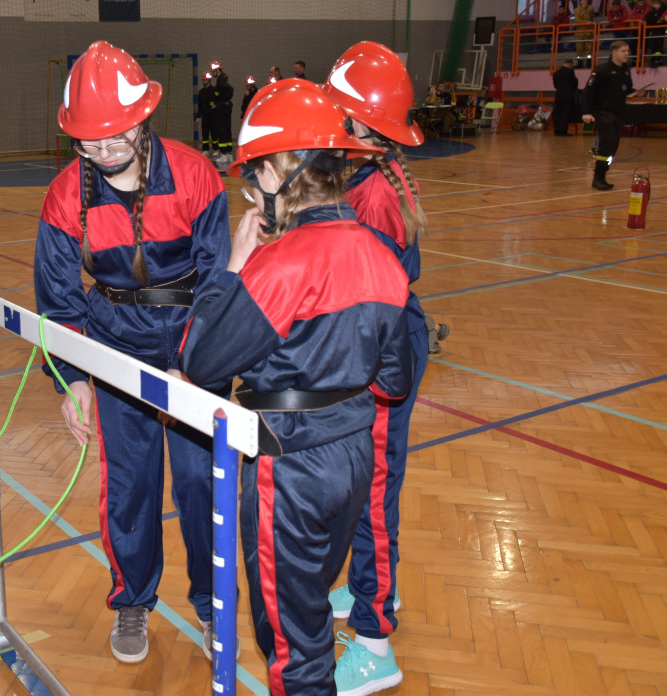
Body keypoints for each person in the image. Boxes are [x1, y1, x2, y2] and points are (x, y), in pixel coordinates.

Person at [180, 77, 412, 696]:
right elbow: (394, 380)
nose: (251, 190)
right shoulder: (382, 256)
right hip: (354, 458)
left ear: (283, 169)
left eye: (253, 175)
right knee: (309, 601)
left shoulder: (280, 265)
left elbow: (200, 360)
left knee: (291, 642)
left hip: (288, 467)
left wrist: (233, 267)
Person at [33, 40, 232, 664]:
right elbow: (58, 298)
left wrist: (194, 363)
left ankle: (212, 607)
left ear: (145, 116)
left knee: (202, 484)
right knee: (129, 486)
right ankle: (132, 601)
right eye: (91, 140)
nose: (105, 149)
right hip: (114, 347)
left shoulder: (196, 174)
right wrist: (74, 379)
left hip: (191, 344)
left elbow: (220, 282)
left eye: (118, 134)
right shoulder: (67, 196)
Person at [321, 41, 433, 696]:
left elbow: (375, 300)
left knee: (374, 494)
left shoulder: (375, 196)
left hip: (383, 347)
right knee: (362, 487)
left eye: (338, 114)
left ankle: (374, 636)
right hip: (369, 337)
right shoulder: (363, 175)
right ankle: (365, 587)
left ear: (363, 127)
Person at [582, 40, 639, 190]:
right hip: (603, 113)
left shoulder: (625, 70)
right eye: (623, 51)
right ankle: (598, 177)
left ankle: (603, 175)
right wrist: (587, 112)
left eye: (628, 51)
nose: (627, 54)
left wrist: (634, 92)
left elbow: (625, 88)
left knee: (613, 147)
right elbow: (589, 91)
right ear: (614, 52)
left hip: (618, 113)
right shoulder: (602, 70)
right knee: (607, 145)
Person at [552, 58, 579, 135]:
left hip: (558, 96)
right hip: (568, 96)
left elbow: (555, 85)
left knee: (558, 113)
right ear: (570, 64)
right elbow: (575, 84)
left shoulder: (556, 73)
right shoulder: (570, 72)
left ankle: (556, 129)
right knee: (565, 113)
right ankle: (563, 130)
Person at [573, 0, 596, 67]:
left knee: (589, 49)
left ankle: (588, 63)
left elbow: (590, 17)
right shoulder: (577, 9)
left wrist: (584, 10)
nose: (584, 2)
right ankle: (580, 63)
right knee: (579, 48)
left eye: (585, 0)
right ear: (580, 2)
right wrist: (585, 22)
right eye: (582, 1)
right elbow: (577, 20)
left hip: (589, 31)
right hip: (579, 32)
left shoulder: (591, 8)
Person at [644, 0, 666, 65]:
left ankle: (659, 59)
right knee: (654, 45)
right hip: (653, 30)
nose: (657, 5)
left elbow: (660, 16)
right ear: (653, 5)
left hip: (660, 30)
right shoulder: (652, 12)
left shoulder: (663, 10)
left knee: (659, 44)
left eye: (659, 4)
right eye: (656, 4)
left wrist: (655, 15)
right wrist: (654, 15)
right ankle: (654, 59)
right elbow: (647, 17)